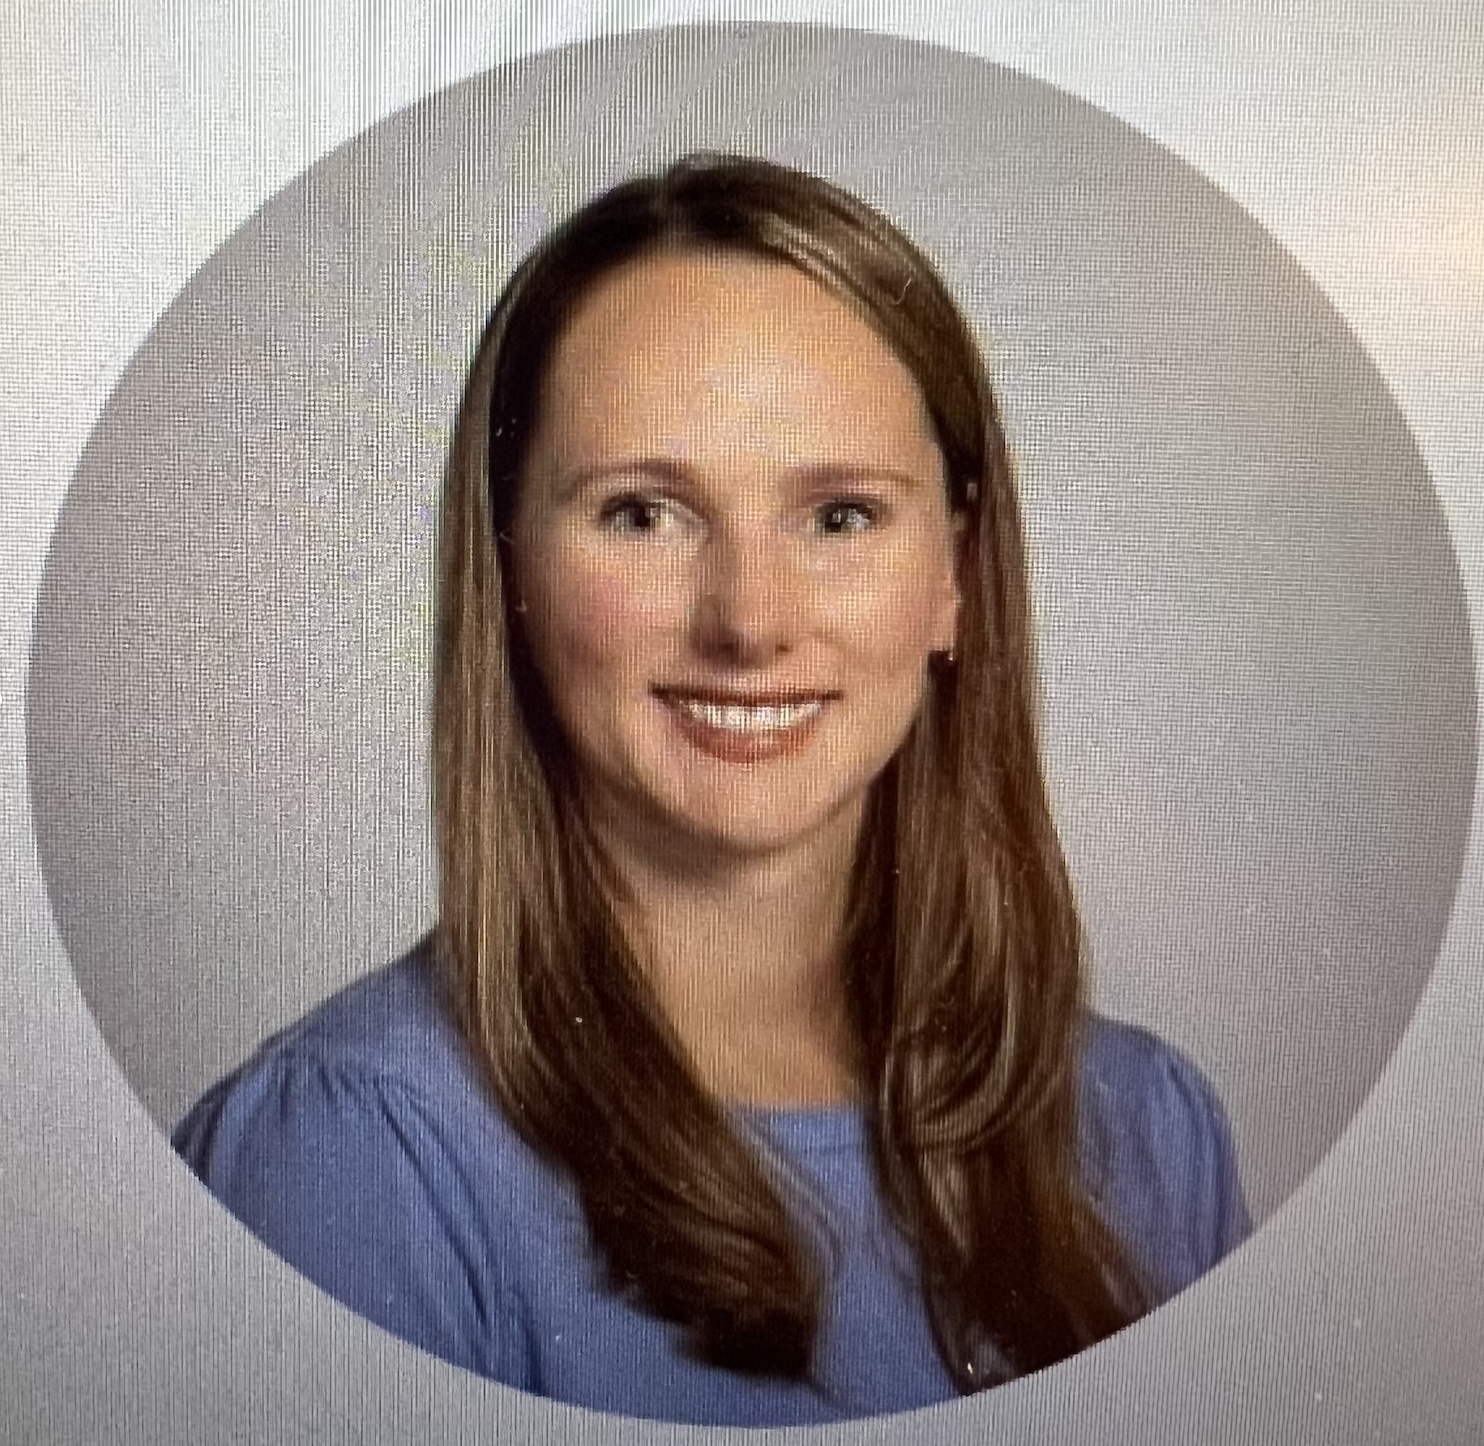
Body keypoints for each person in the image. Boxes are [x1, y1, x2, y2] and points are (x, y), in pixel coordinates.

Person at [172, 152, 1250, 1426]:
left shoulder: (1146, 1130)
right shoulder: (346, 1161)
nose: (748, 622)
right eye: (642, 514)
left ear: (951, 573)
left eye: (838, 516)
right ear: (510, 570)